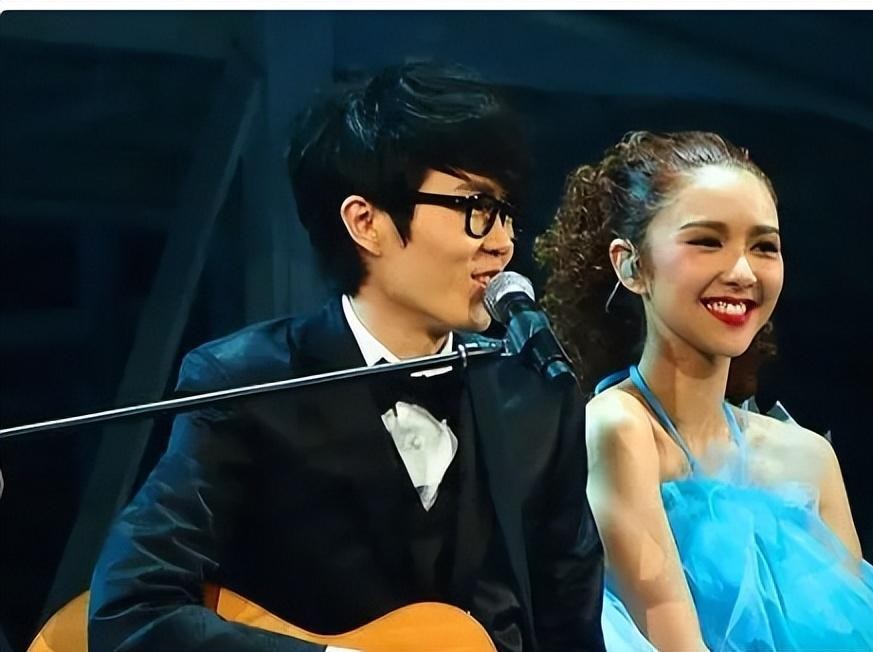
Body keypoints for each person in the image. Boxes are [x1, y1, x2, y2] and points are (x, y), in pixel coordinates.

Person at [88, 61, 604, 652]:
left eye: (505, 211)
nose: (503, 242)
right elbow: (133, 605)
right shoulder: (247, 384)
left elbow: (570, 624)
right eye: (476, 208)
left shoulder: (535, 396)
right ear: (366, 222)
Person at [535, 130, 873, 651]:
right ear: (632, 265)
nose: (742, 272)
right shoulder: (619, 428)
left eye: (764, 246)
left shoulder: (808, 459)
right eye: (707, 241)